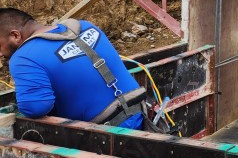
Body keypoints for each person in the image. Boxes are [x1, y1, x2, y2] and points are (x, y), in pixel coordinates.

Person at [0, 8, 146, 127]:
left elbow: (35, 108)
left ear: (15, 35)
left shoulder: (24, 57)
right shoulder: (84, 26)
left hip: (110, 132)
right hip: (140, 113)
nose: (0, 54)